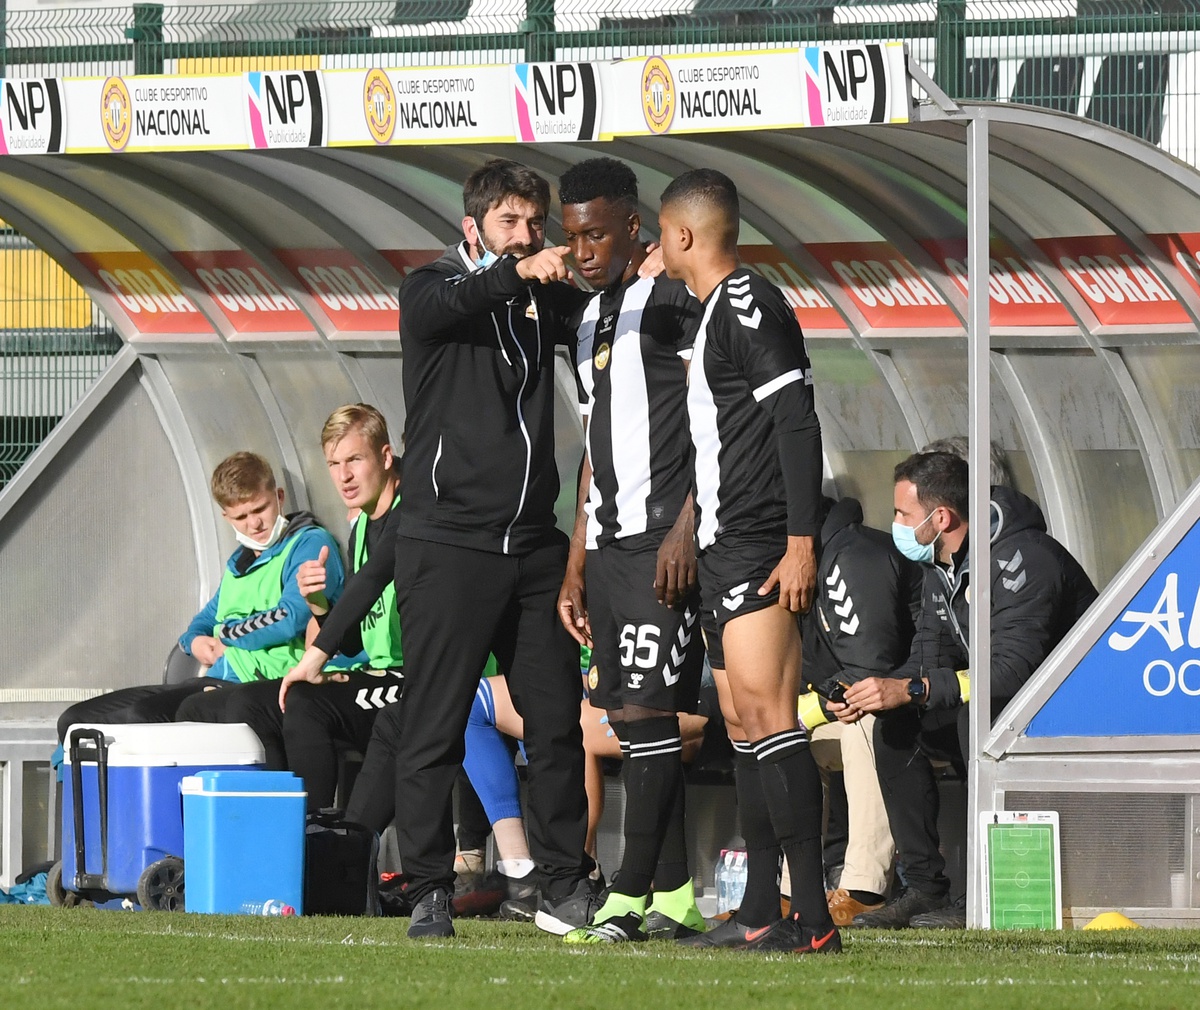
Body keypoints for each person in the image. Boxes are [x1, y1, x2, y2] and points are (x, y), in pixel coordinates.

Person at [283, 159, 594, 939]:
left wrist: (629, 275)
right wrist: (521, 272)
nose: (526, 237)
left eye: (534, 224)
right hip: (446, 545)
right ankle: (428, 891)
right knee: (432, 722)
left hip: (532, 548)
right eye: (509, 223)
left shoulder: (537, 296)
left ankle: (563, 884)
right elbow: (468, 295)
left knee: (555, 725)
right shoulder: (429, 289)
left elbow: (595, 317)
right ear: (472, 228)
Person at [658, 169, 839, 955]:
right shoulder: (704, 318)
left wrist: (801, 542)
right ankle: (761, 907)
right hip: (722, 544)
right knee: (742, 723)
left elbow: (795, 422)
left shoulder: (747, 304)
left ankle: (815, 920)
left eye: (661, 232)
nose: (659, 245)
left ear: (686, 236)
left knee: (771, 719)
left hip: (764, 542)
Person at [836, 451, 1097, 929]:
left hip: (1071, 709)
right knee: (894, 725)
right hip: (1006, 705)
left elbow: (1016, 669)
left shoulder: (1026, 559)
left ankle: (986, 887)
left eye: (902, 515)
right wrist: (871, 690)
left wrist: (915, 688)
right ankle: (926, 889)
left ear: (941, 517)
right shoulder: (944, 564)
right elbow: (929, 654)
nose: (894, 524)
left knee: (970, 716)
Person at [551, 157, 707, 944]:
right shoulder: (584, 318)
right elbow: (592, 445)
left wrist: (689, 522)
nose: (582, 251)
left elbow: (720, 414)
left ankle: (624, 893)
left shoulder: (674, 302)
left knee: (647, 717)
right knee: (631, 721)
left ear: (634, 228)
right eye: (572, 236)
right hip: (608, 547)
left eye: (597, 234)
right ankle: (676, 895)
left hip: (663, 543)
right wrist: (577, 559)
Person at [179, 405, 407, 811]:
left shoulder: (411, 519)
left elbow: (290, 621)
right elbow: (353, 642)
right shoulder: (361, 531)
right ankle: (267, 832)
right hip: (370, 672)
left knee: (295, 699)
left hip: (415, 680)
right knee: (196, 707)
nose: (344, 476)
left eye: (354, 459)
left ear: (386, 458)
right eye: (334, 464)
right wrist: (321, 604)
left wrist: (311, 653)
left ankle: (306, 830)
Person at [56, 452, 342, 742]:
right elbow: (205, 620)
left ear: (279, 497)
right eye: (241, 517)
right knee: (74, 721)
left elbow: (291, 617)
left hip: (257, 683)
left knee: (143, 716)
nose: (254, 524)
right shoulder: (239, 564)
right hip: (216, 677)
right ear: (226, 517)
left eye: (260, 509)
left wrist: (226, 635)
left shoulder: (307, 543)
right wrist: (193, 640)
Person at [796, 495, 922, 925]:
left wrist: (822, 703)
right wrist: (812, 708)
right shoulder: (804, 568)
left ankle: (865, 888)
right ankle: (794, 890)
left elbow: (871, 674)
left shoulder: (853, 558)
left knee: (865, 720)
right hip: (852, 709)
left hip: (923, 706)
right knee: (784, 742)